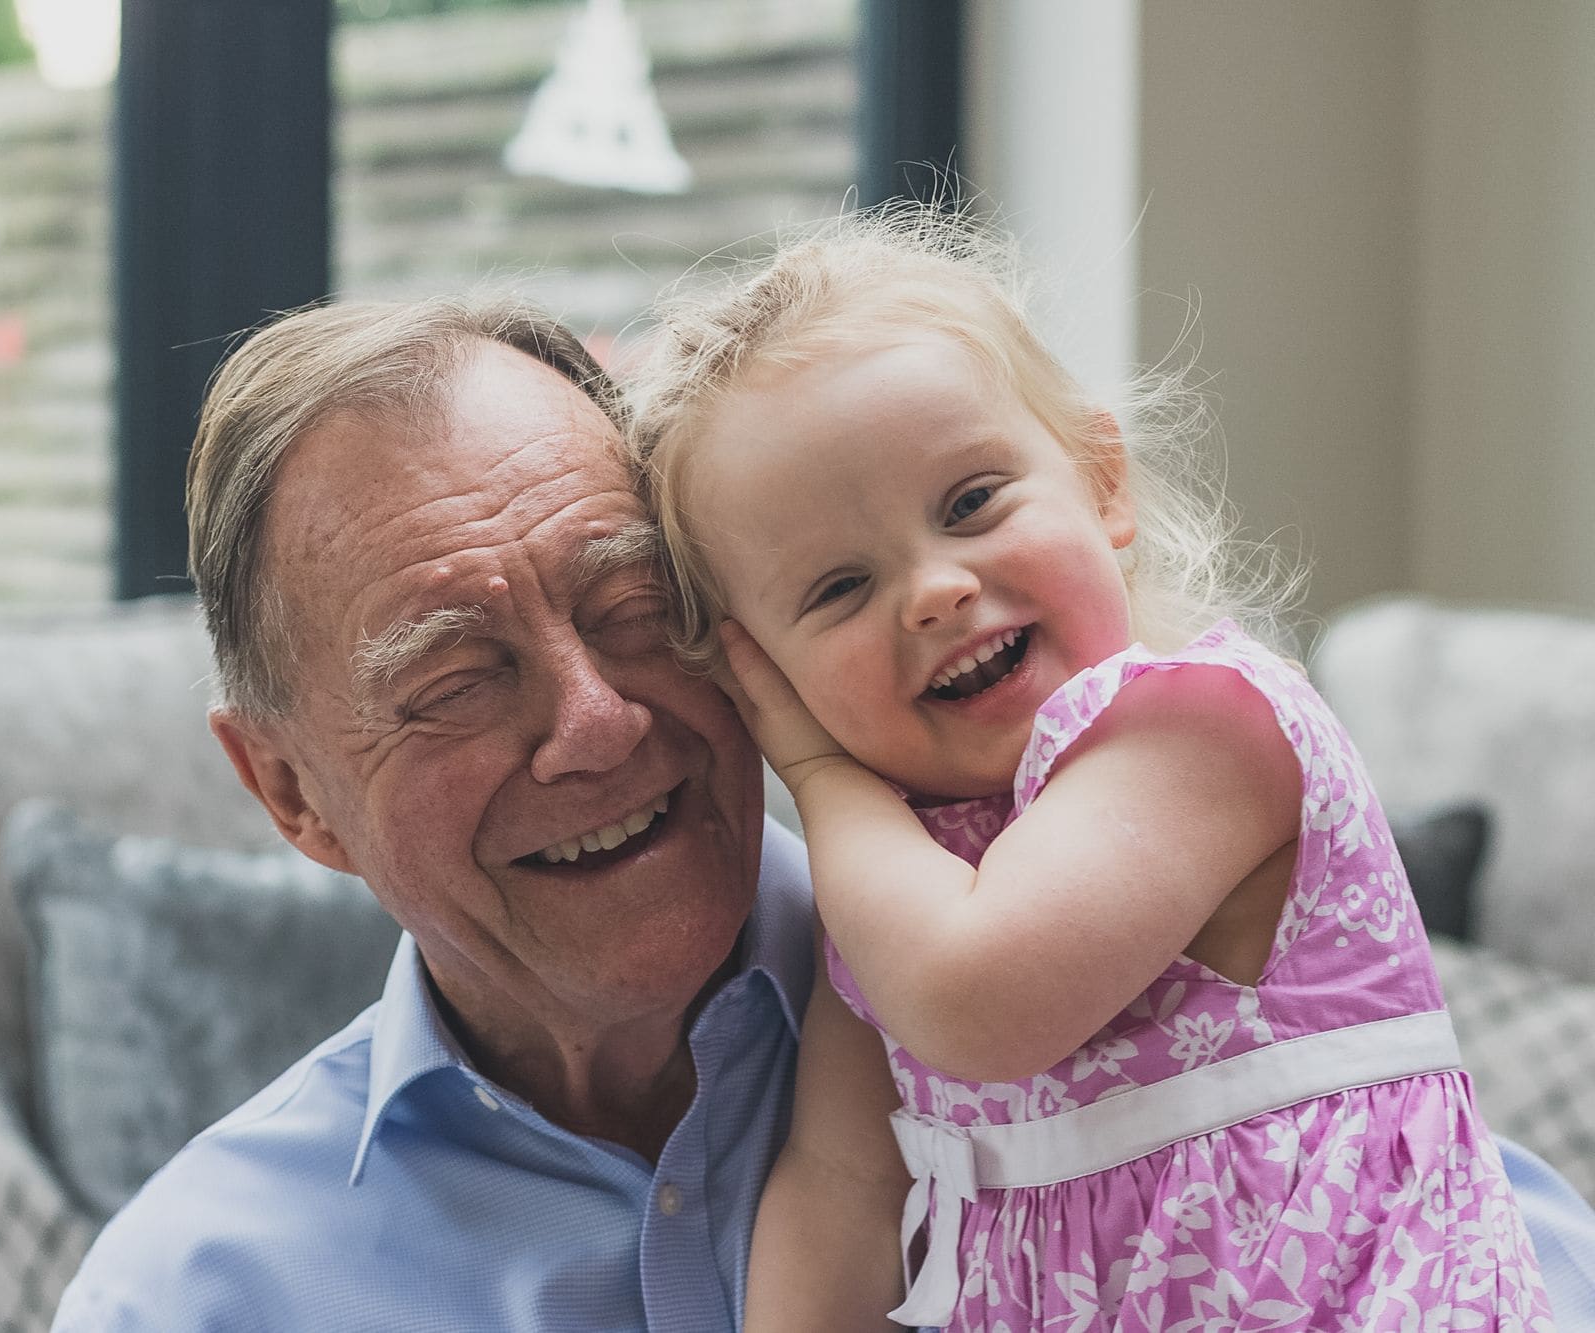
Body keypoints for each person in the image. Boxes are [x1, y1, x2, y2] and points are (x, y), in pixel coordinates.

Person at [51, 285, 1595, 1333]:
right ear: (289, 792)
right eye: (455, 677)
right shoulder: (199, 1292)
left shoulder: (1128, 946)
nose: (594, 725)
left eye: (637, 605)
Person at [631, 206, 1556, 1331]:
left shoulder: (1201, 730)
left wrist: (818, 774)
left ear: (1100, 485)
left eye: (969, 503)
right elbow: (843, 1193)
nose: (932, 589)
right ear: (762, 670)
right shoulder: (896, 893)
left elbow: (973, 998)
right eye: (836, 589)